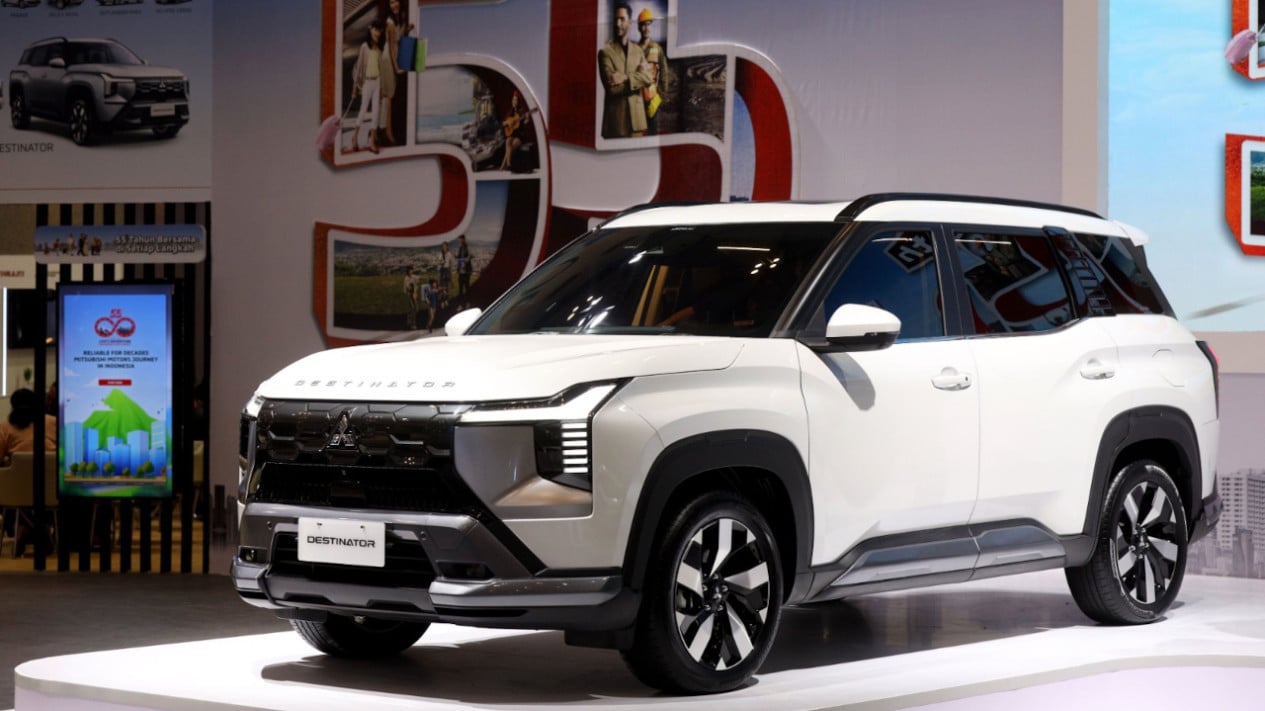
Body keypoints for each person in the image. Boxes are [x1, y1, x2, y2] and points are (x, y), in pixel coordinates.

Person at [598, 2, 655, 139]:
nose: (618, 24)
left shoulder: (638, 51)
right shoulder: (605, 52)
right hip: (616, 125)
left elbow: (648, 78)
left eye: (622, 19)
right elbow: (612, 89)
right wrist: (638, 76)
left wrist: (624, 77)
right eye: (615, 19)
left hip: (637, 123)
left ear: (630, 22)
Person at [351, 20, 386, 153]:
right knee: (363, 110)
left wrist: (381, 88)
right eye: (375, 30)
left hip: (377, 82)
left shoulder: (379, 50)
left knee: (376, 112)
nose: (377, 33)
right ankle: (355, 138)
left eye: (379, 31)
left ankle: (372, 142)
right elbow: (359, 67)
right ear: (371, 30)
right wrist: (354, 88)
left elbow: (381, 71)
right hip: (367, 83)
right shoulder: (364, 47)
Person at [382, 0, 413, 146]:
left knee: (393, 95)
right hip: (389, 59)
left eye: (395, 1)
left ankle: (390, 131)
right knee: (389, 96)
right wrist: (395, 67)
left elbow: (399, 39)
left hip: (395, 56)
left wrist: (407, 30)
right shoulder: (390, 22)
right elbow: (390, 47)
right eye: (391, 3)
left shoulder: (400, 17)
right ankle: (388, 133)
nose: (394, 5)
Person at [0, 388, 56, 465]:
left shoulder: (5, 428)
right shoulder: (54, 422)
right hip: (52, 470)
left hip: (17, 471)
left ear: (13, 406)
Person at [637, 7, 667, 136]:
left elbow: (664, 74)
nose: (646, 28)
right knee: (637, 135)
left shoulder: (657, 49)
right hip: (637, 100)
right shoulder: (634, 50)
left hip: (652, 100)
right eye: (643, 25)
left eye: (649, 24)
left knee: (652, 134)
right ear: (639, 27)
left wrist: (659, 97)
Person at [498, 91, 531, 171]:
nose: (514, 101)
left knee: (512, 145)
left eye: (516, 100)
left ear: (518, 102)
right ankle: (507, 164)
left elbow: (525, 123)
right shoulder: (510, 112)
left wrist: (527, 119)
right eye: (513, 100)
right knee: (508, 140)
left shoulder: (522, 112)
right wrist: (508, 122)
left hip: (520, 136)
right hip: (512, 134)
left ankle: (505, 164)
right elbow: (503, 123)